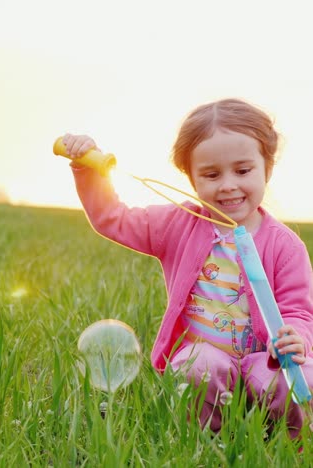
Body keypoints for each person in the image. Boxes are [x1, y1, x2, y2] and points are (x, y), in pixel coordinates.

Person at [61, 98, 313, 439]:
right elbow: (114, 219)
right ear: (191, 178)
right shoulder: (179, 224)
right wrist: (89, 170)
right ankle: (203, 442)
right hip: (205, 358)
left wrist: (295, 336)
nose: (228, 185)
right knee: (198, 366)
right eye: (211, 174)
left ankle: (283, 446)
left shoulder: (285, 245)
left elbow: (298, 310)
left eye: (243, 170)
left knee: (289, 378)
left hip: (263, 361)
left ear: (266, 167)